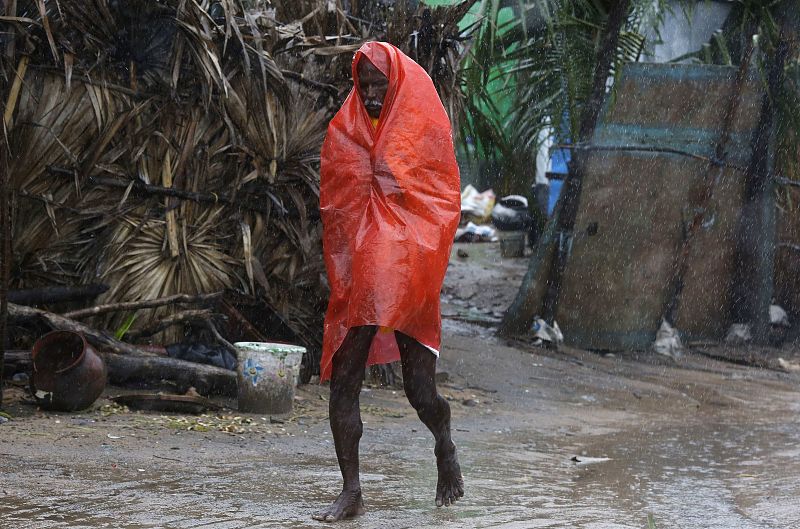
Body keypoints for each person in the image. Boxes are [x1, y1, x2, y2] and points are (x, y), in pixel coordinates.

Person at [313, 41, 463, 522]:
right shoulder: (345, 132)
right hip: (361, 276)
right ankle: (351, 490)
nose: (373, 94)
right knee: (344, 381)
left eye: (381, 84)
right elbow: (336, 204)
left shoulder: (420, 128)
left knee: (420, 391)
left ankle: (444, 443)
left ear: (397, 83)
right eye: (365, 85)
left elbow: (438, 201)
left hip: (407, 273)